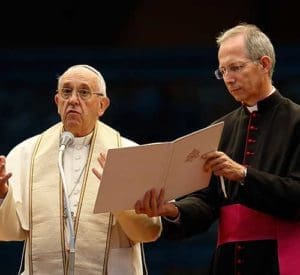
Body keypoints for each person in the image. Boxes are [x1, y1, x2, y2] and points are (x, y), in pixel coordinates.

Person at [134, 23, 300, 275]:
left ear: (264, 64)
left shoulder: (296, 121)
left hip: (280, 258)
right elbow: (206, 203)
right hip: (227, 262)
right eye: (222, 71)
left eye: (236, 67)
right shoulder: (219, 128)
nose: (229, 79)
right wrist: (171, 209)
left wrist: (243, 175)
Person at [0, 64, 162, 275]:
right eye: (66, 92)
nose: (73, 100)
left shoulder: (130, 154)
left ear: (102, 105)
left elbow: (149, 231)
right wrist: (3, 197)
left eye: (84, 92)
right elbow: (10, 231)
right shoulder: (26, 153)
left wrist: (120, 198)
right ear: (58, 102)